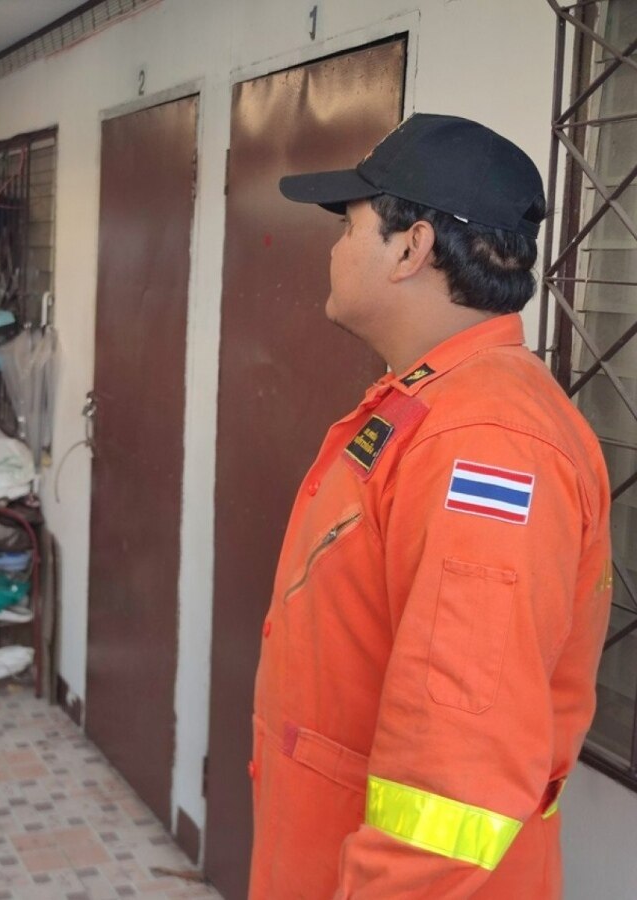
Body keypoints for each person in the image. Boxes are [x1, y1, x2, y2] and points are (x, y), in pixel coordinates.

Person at [250, 113, 613, 898]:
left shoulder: (487, 442)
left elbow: (458, 775)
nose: (334, 249)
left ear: (411, 248)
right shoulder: (439, 405)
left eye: (348, 226)